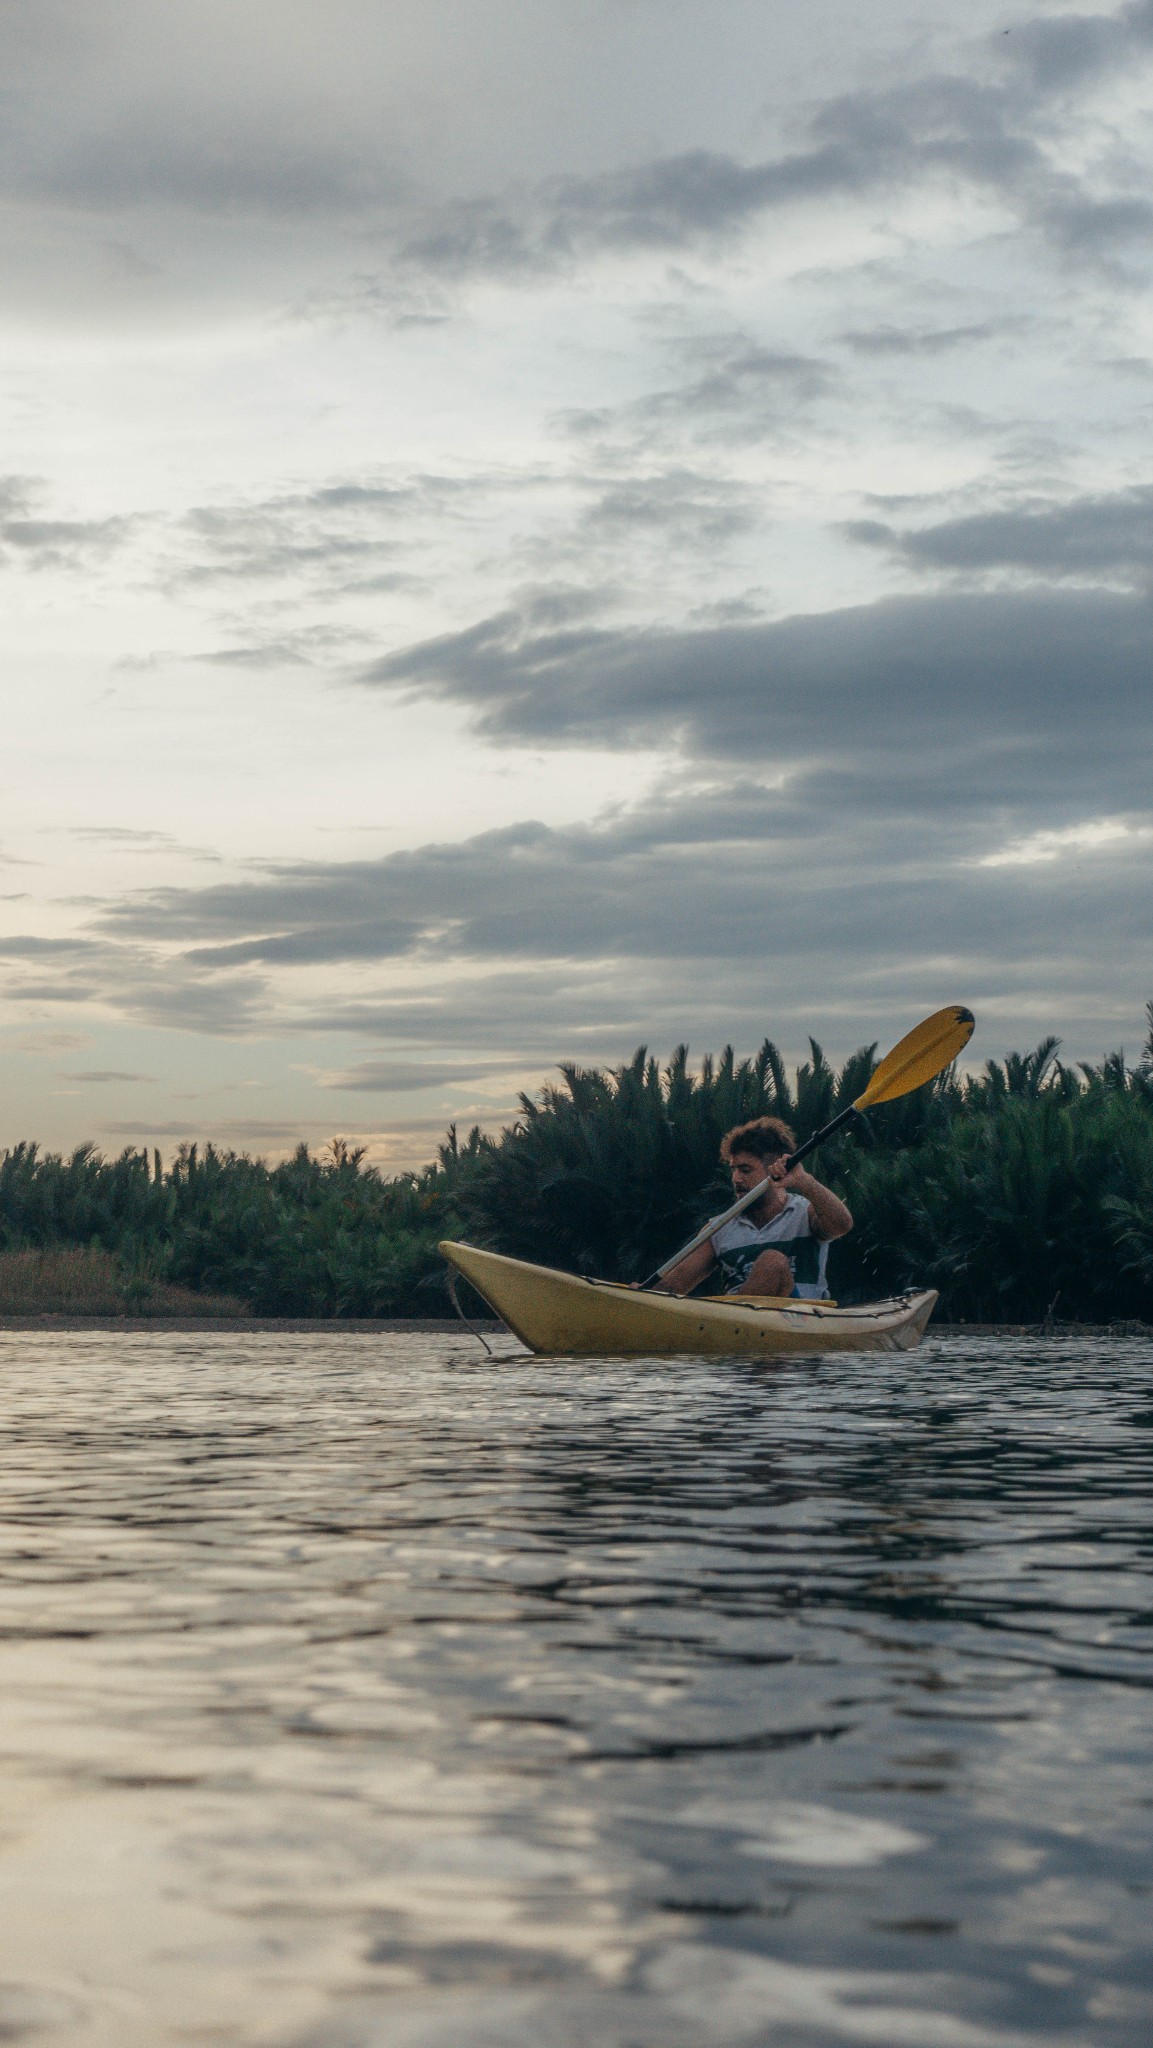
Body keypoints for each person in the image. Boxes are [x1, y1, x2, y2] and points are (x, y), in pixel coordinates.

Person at [656, 1116, 853, 1300]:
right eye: (733, 1169)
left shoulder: (804, 1212)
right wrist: (641, 1296)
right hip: (740, 1324)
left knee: (772, 1262)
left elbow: (842, 1225)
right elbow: (675, 1284)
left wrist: (804, 1182)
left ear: (775, 1170)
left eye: (745, 1170)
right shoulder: (719, 1228)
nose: (736, 1178)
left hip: (801, 1321)